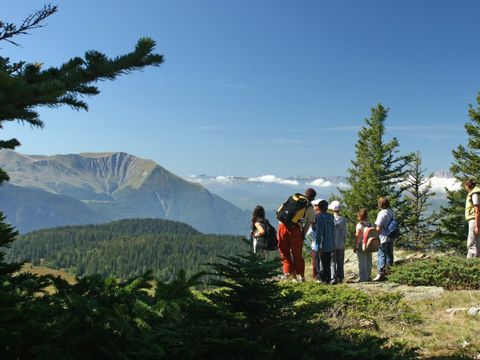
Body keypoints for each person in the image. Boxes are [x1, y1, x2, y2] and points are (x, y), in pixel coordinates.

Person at [277, 188, 316, 282]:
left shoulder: (293, 198)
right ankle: (301, 276)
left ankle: (291, 276)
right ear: (313, 198)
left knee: (284, 252)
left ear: (305, 193)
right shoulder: (309, 207)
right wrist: (303, 234)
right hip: (295, 229)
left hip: (282, 226)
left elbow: (281, 212)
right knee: (297, 254)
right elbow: (308, 223)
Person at [374, 196, 395, 281]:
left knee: (381, 255)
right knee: (390, 255)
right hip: (391, 236)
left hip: (383, 237)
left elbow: (379, 227)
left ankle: (380, 273)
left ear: (381, 204)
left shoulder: (382, 213)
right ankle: (389, 272)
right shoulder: (391, 212)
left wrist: (375, 236)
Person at [314, 200, 335, 284]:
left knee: (320, 263)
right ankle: (328, 279)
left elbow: (318, 232)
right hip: (330, 243)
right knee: (328, 263)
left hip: (321, 245)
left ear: (318, 208)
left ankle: (322, 280)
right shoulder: (331, 217)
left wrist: (318, 245)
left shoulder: (318, 217)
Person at [329, 200, 346, 284]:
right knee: (340, 262)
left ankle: (333, 278)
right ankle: (341, 278)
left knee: (332, 262)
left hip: (332, 244)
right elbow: (345, 233)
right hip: (341, 244)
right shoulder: (343, 220)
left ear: (332, 210)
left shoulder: (330, 219)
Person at [354, 208, 373, 282]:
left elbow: (357, 236)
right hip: (369, 243)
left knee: (362, 261)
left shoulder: (359, 225)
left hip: (361, 244)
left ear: (359, 216)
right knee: (369, 261)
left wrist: (355, 246)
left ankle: (363, 277)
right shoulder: (370, 223)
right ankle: (368, 276)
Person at [464, 178, 480, 258]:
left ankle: (472, 262)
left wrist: (477, 226)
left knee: (472, 242)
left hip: (474, 220)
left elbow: (477, 210)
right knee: (475, 241)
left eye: (465, 186)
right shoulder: (475, 192)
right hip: (474, 219)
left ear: (468, 186)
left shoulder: (474, 194)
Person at [307, 199, 321, 280]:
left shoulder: (314, 217)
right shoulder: (326, 216)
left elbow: (310, 232)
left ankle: (316, 277)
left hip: (315, 244)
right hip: (325, 244)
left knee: (315, 262)